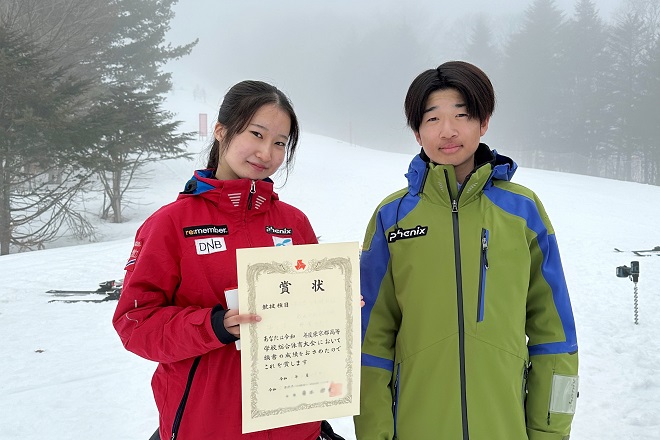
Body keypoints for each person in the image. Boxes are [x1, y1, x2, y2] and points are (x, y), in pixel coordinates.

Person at [353, 61, 579, 440]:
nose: (448, 131)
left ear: (484, 122)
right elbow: (371, 338)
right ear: (416, 130)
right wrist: (374, 432)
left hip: (504, 423)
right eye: (433, 119)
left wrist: (549, 430)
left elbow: (554, 333)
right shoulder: (391, 218)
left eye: (463, 115)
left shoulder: (523, 211)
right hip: (415, 424)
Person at [112, 80, 343, 440]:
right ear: (221, 131)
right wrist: (214, 326)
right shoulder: (171, 224)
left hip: (293, 422)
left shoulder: (293, 222)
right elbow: (134, 323)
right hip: (208, 423)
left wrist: (336, 307)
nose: (267, 153)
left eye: (280, 143)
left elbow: (310, 314)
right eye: (257, 133)